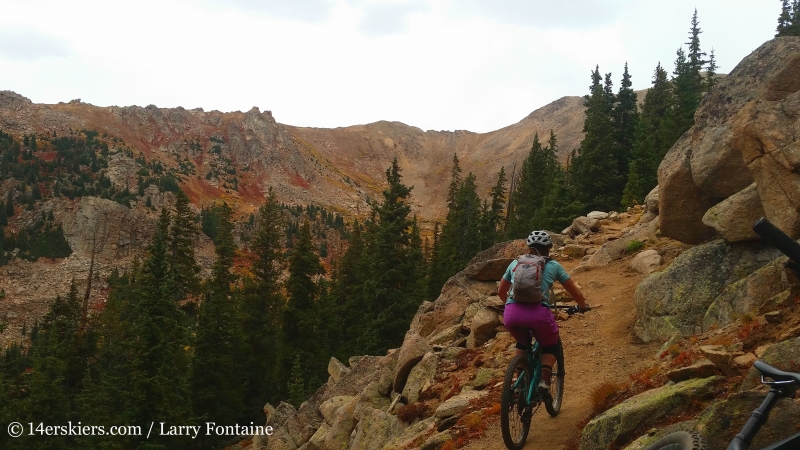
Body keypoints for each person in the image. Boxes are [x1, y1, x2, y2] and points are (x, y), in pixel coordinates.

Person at [497, 230, 589, 395]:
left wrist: (512, 307)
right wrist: (582, 306)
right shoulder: (553, 265)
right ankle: (544, 381)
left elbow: (500, 292)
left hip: (511, 315)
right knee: (551, 344)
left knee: (522, 342)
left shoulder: (515, 263)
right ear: (548, 248)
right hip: (538, 315)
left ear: (529, 247)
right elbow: (575, 292)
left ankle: (519, 384)